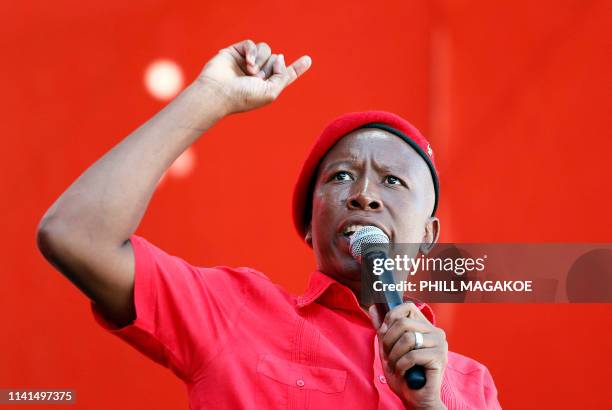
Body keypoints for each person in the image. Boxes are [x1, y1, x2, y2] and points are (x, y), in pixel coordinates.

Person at [37, 39, 501, 409]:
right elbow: (75, 236)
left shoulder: (471, 386)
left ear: (427, 237)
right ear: (309, 225)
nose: (363, 193)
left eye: (394, 181)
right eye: (341, 176)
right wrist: (210, 97)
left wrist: (430, 406)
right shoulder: (235, 313)